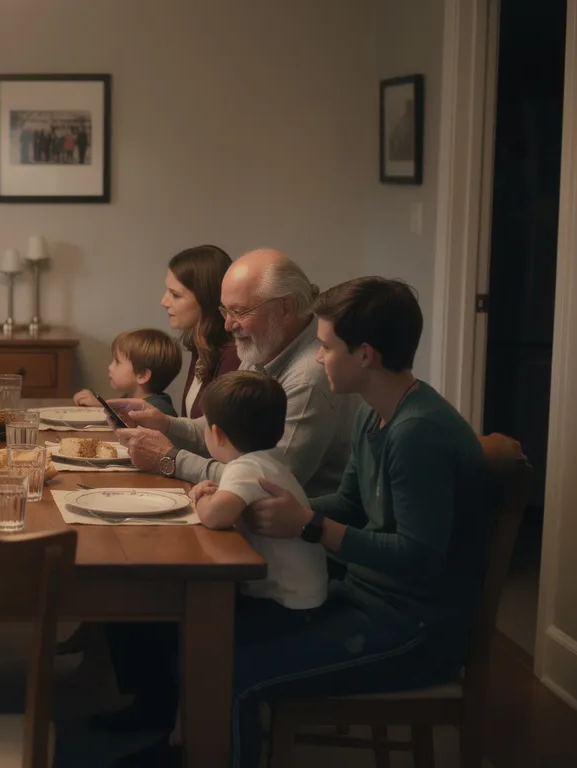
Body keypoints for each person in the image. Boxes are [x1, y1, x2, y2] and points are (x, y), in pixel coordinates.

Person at [143, 277, 492, 768]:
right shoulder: (376, 415)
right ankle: (183, 750)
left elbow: (419, 556)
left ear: (365, 354)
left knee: (229, 672)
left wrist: (307, 524)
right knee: (204, 636)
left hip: (413, 628)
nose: (320, 357)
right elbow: (348, 502)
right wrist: (269, 504)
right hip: (363, 596)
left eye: (326, 347)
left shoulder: (419, 434)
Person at [104, 372, 328, 757]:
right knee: (180, 633)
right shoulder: (271, 460)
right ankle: (180, 728)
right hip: (296, 600)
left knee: (194, 640)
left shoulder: (245, 467)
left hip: (284, 609)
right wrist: (211, 495)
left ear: (217, 434)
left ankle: (192, 745)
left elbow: (217, 516)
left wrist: (201, 500)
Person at [111, 249, 357, 498]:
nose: (228, 325)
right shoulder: (264, 344)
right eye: (225, 311)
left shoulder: (308, 378)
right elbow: (220, 427)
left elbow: (266, 481)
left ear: (285, 308)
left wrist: (169, 458)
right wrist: (164, 424)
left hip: (286, 531)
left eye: (239, 312)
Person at [163, 245, 241, 418]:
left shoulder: (233, 356)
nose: (164, 302)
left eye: (175, 294)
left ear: (205, 298)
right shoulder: (200, 345)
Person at [73, 328, 181, 416]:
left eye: (117, 362)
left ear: (142, 375)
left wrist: (102, 406)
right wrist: (100, 405)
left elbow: (127, 421)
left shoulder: (158, 410)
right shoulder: (129, 398)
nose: (110, 367)